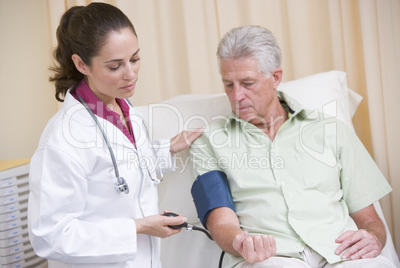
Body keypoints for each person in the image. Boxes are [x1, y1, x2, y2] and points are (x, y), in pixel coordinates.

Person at [189, 25, 395, 268]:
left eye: (247, 83)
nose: (236, 96)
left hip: (341, 253)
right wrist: (240, 242)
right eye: (229, 84)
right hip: (271, 259)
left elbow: (370, 220)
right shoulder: (210, 140)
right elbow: (220, 222)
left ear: (275, 77)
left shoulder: (331, 131)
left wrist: (373, 237)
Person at [27, 3, 202, 268]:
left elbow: (111, 175)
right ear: (81, 64)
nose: (130, 74)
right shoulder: (63, 139)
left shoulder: (122, 106)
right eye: (114, 66)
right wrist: (137, 227)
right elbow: (49, 236)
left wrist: (164, 149)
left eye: (135, 59)